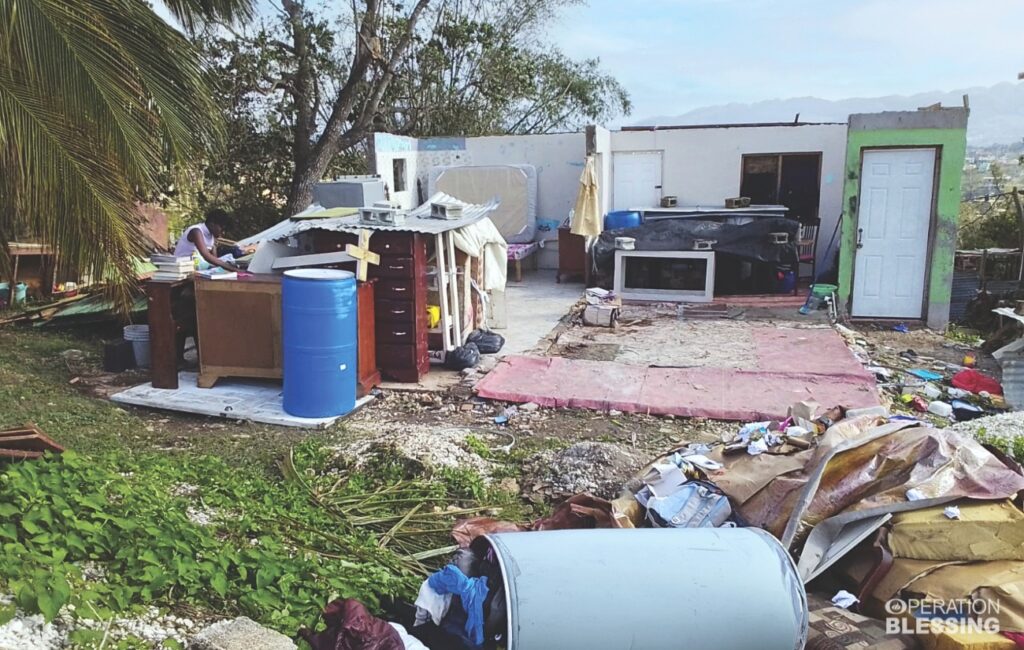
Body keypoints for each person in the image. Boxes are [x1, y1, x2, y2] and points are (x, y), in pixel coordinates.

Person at [173, 208, 239, 272]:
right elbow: (206, 256)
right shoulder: (196, 231)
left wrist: (214, 247)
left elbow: (214, 259)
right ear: (212, 224)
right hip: (180, 269)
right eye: (222, 229)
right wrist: (234, 269)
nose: (223, 233)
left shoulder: (211, 235)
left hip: (193, 268)